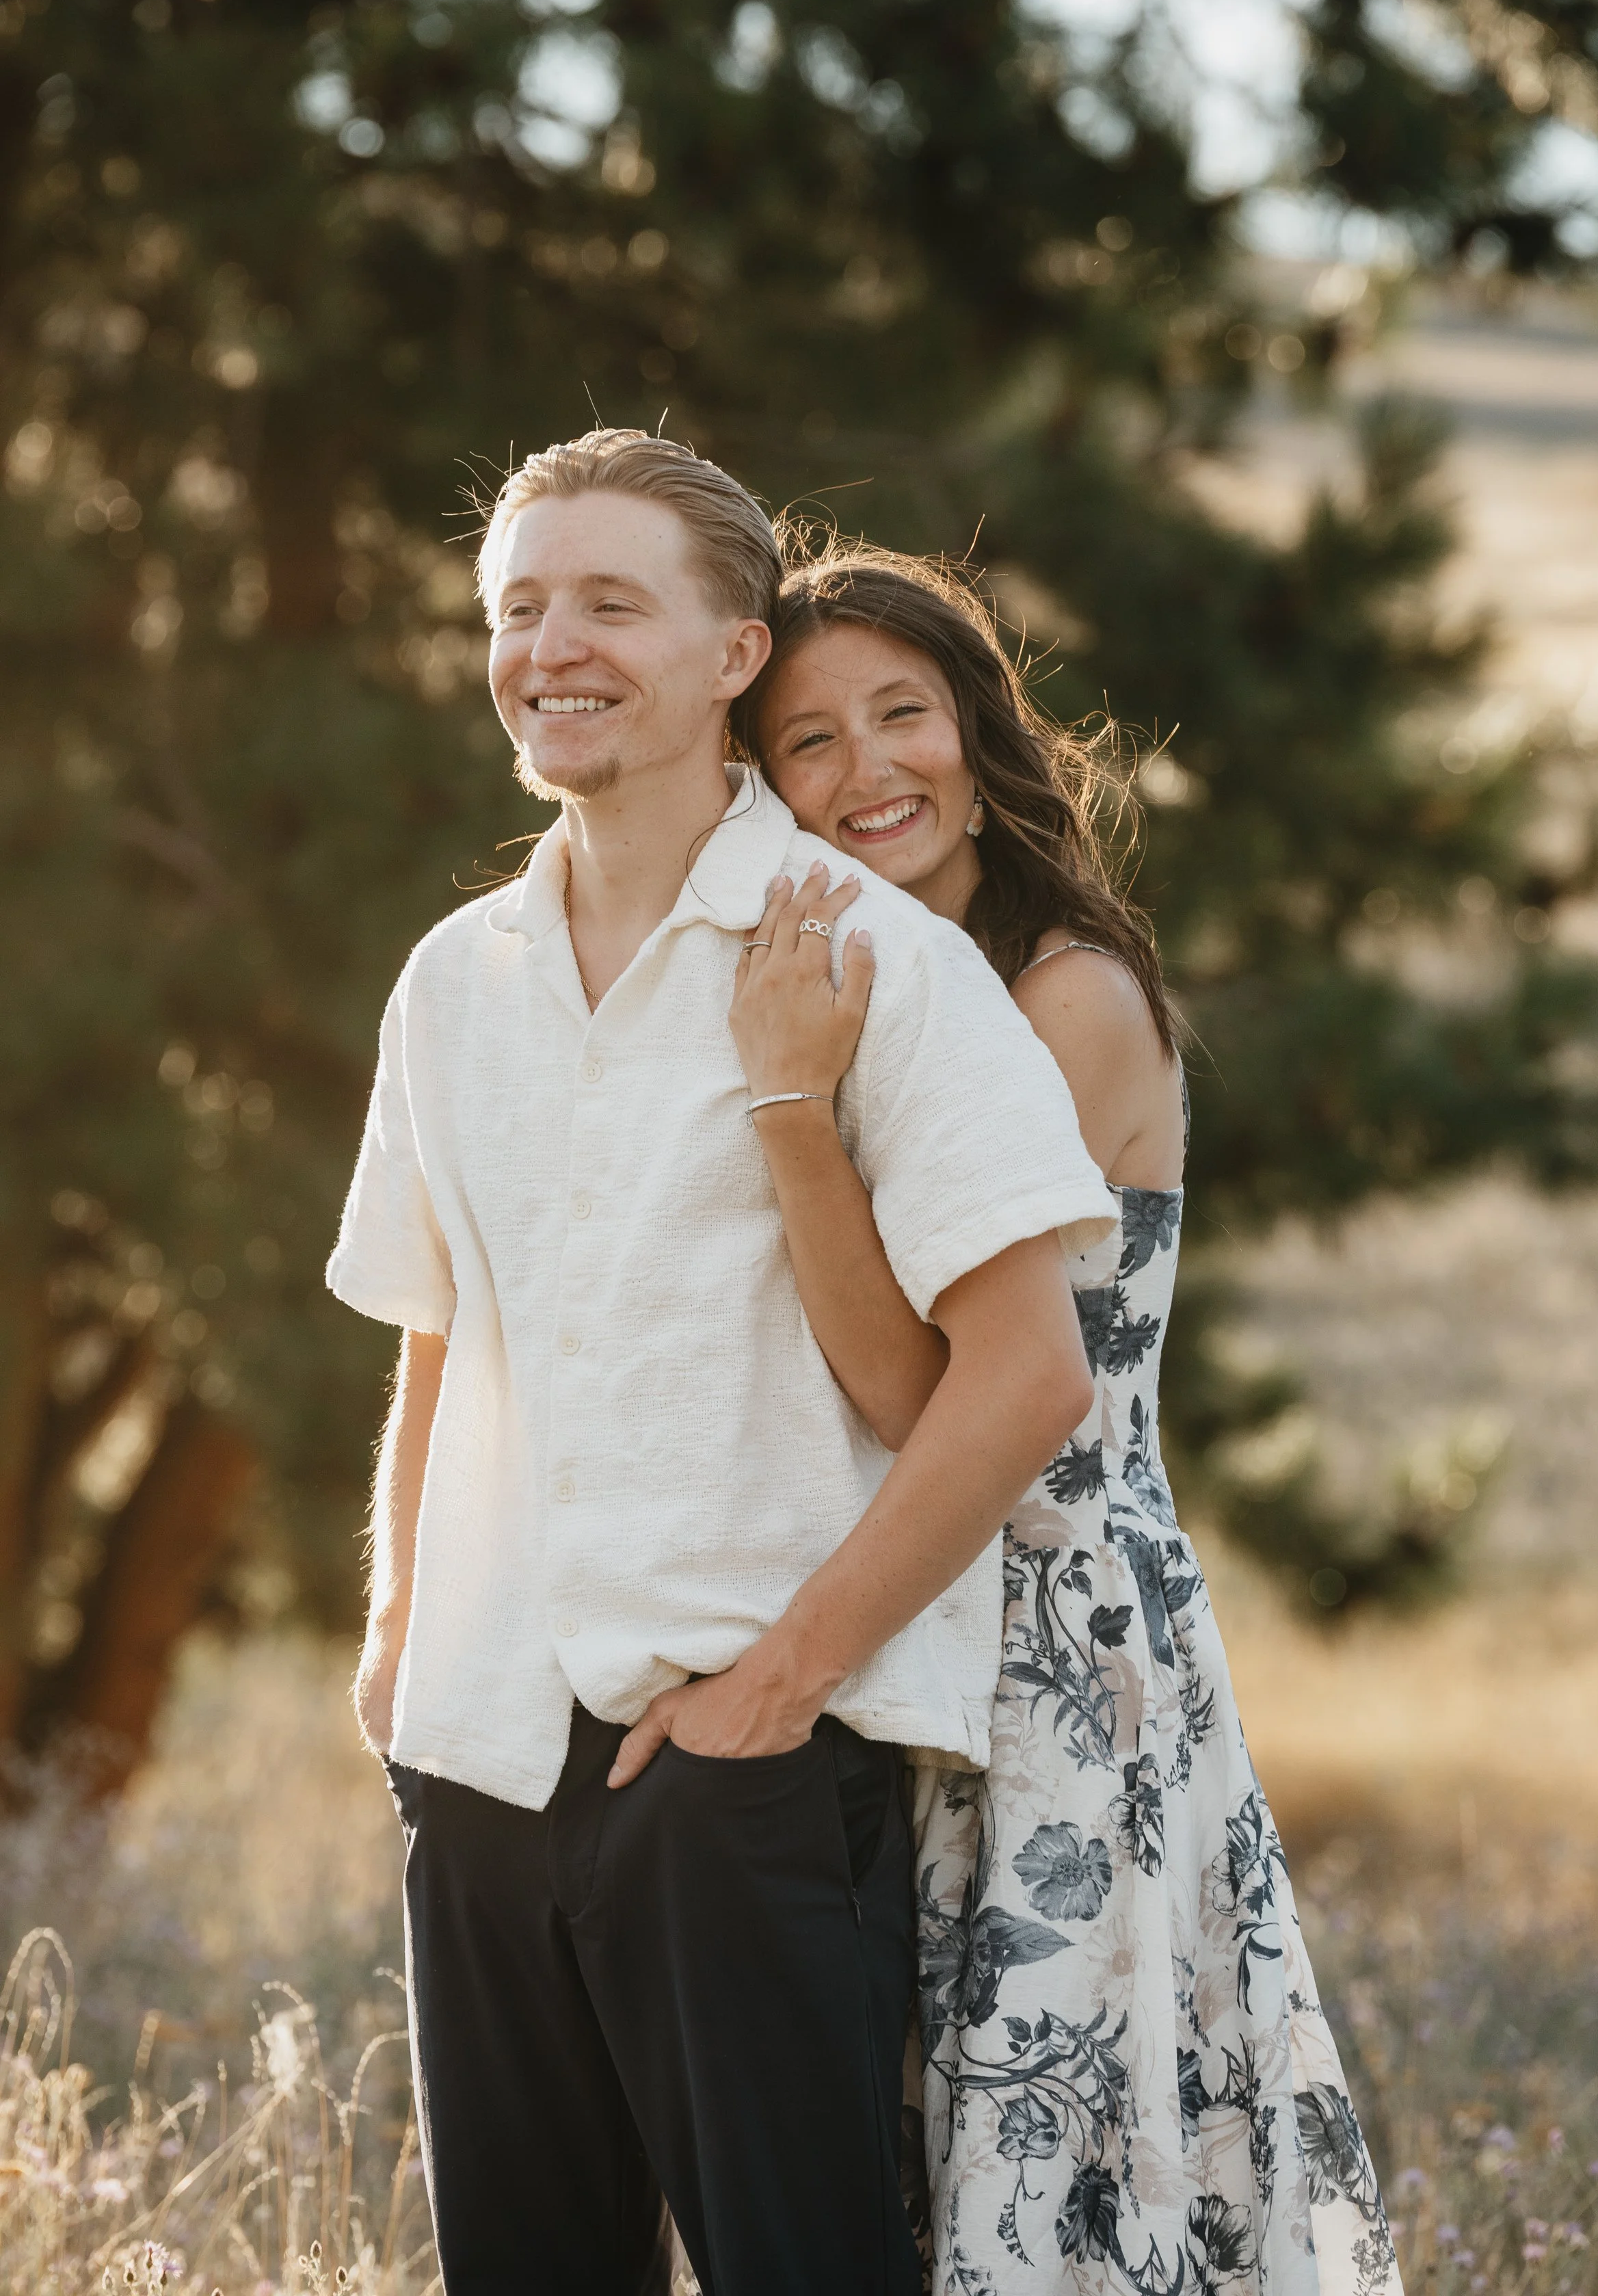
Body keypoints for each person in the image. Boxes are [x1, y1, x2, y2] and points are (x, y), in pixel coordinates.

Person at [325, 432, 1123, 2296]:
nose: (554, 646)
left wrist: (790, 1681)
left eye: (613, 602)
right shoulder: (454, 981)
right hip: (483, 1751)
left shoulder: (881, 973)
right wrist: (397, 1640)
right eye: (520, 607)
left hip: (744, 1766)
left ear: (734, 655)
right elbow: (444, 1329)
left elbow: (1026, 1382)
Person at [726, 543, 1403, 2296]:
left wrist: (791, 1118)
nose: (870, 769)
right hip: (924, 1606)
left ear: (980, 735)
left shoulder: (1061, 998)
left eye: (906, 714)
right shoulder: (891, 976)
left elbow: (932, 1392)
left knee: (1063, 2179)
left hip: (1056, 1649)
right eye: (810, 741)